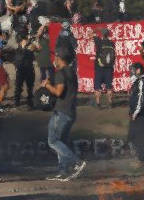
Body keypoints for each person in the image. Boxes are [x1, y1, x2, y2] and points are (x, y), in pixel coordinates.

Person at [41, 46, 86, 182]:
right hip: (71, 112)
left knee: (53, 141)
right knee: (62, 143)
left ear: (59, 58)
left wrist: (47, 85)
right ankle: (62, 171)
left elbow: (59, 92)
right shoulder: (72, 72)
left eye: (55, 57)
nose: (53, 59)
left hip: (61, 112)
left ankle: (77, 162)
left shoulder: (60, 73)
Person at [93, 28, 116, 108]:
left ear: (102, 34)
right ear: (108, 34)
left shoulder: (99, 42)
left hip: (99, 68)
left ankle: (98, 103)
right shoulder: (112, 43)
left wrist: (94, 32)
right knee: (109, 87)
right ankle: (110, 102)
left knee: (97, 87)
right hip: (109, 68)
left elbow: (93, 35)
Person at [12, 33, 35, 109]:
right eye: (24, 40)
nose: (26, 41)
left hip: (28, 69)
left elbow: (32, 57)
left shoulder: (29, 49)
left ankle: (30, 102)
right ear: (21, 42)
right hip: (21, 70)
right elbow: (19, 58)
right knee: (18, 86)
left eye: (26, 40)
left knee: (30, 87)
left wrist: (30, 49)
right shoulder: (18, 50)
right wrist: (25, 48)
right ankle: (17, 101)